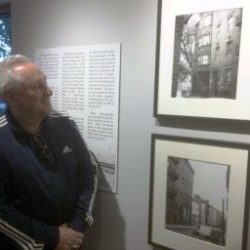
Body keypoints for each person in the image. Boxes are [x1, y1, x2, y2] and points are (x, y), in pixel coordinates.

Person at [0, 55, 98, 250]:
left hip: (72, 239)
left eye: (45, 82)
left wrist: (77, 226)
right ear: (10, 96)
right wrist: (51, 237)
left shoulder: (64, 124)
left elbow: (89, 173)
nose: (49, 91)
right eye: (37, 86)